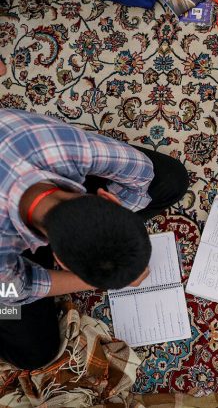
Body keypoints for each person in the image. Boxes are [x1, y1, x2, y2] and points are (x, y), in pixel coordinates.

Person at [0, 108, 189, 370]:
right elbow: (19, 289)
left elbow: (141, 172)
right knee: (34, 353)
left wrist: (102, 238)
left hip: (27, 163)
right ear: (58, 260)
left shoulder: (68, 146)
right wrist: (92, 281)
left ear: (108, 197)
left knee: (171, 180)